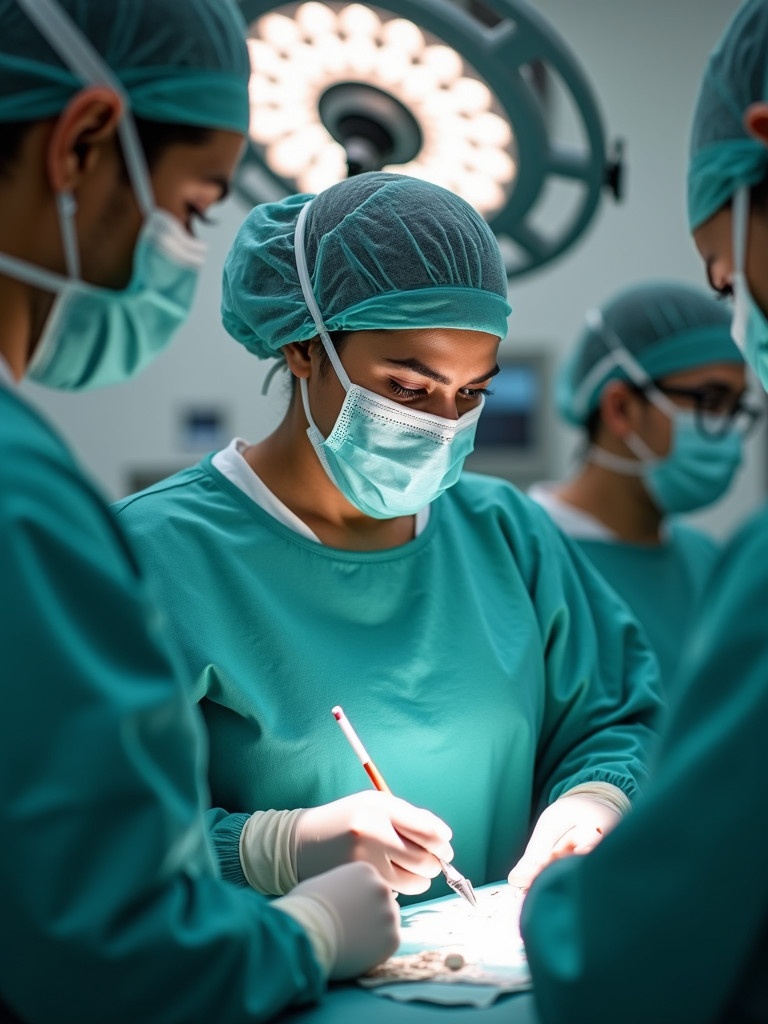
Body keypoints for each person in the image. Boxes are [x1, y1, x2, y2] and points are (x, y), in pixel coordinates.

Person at [0, 2, 400, 1021]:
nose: (181, 243)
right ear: (84, 141)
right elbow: (110, 955)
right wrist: (304, 929)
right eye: (190, 205)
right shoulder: (30, 511)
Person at [114, 170, 663, 909]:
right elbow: (92, 830)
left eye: (471, 394)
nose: (442, 423)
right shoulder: (154, 556)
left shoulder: (506, 533)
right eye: (408, 388)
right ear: (305, 347)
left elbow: (615, 714)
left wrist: (593, 802)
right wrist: (276, 848)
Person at [519, 2, 768, 1020]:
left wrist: (555, 898)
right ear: (618, 403)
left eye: (732, 274)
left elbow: (623, 958)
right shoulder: (511, 545)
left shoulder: (726, 564)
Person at [530, 280, 755, 691]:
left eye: (736, 407)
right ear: (620, 408)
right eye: (710, 400)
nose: (730, 430)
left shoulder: (705, 560)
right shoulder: (522, 554)